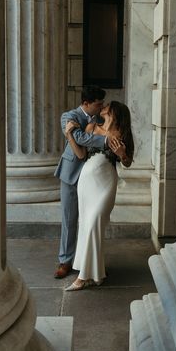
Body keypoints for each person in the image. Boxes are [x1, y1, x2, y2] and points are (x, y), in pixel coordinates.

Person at [63, 101, 134, 291]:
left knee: (95, 222)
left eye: (107, 106)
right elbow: (80, 154)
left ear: (114, 112)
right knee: (87, 226)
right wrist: (69, 134)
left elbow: (127, 162)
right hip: (87, 182)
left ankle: (82, 277)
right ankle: (96, 274)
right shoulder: (92, 127)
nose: (103, 107)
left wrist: (121, 154)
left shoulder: (123, 134)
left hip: (106, 184)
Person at [54, 85, 106, 279]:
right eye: (98, 104)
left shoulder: (101, 118)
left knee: (90, 220)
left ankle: (86, 262)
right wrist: (107, 141)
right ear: (86, 103)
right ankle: (65, 261)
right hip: (71, 174)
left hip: (93, 176)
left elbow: (87, 137)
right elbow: (80, 138)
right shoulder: (69, 116)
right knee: (69, 219)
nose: (101, 107)